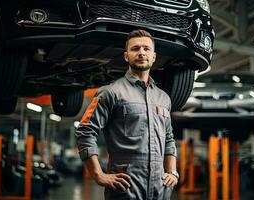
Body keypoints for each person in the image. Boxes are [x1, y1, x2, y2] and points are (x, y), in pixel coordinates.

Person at [76, 29, 178, 200]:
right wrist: (98, 175)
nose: (141, 53)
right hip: (126, 188)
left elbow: (169, 139)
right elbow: (85, 132)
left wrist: (172, 172)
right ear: (126, 56)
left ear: (153, 57)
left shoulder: (163, 98)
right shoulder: (110, 92)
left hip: (159, 190)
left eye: (146, 49)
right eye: (135, 48)